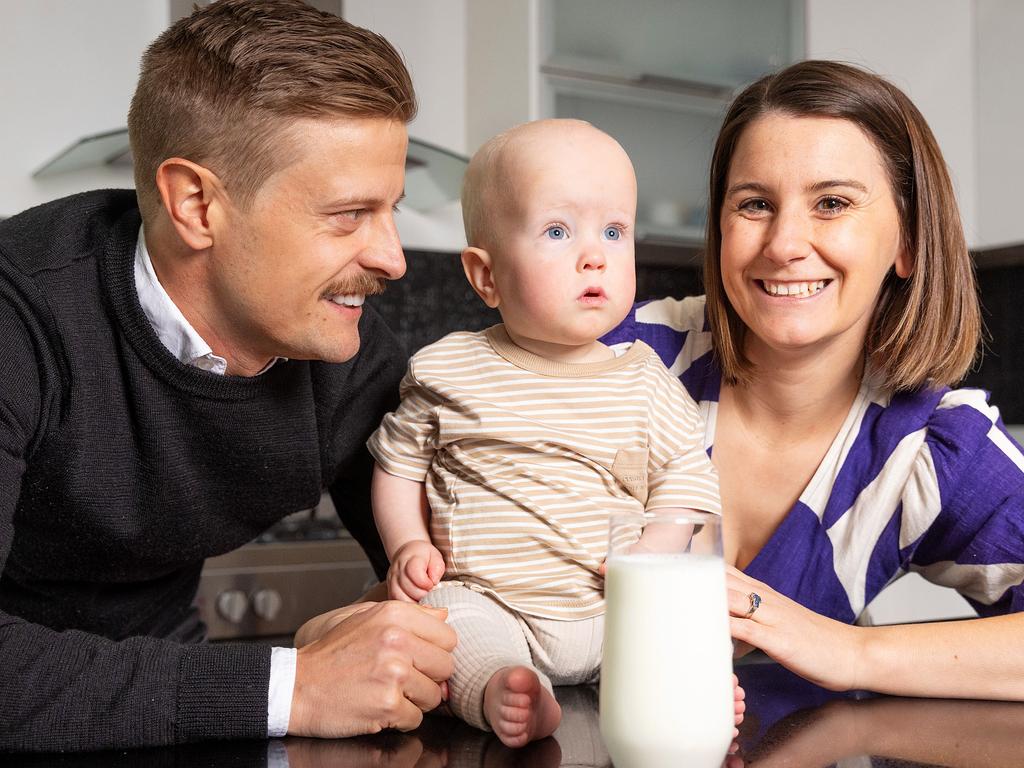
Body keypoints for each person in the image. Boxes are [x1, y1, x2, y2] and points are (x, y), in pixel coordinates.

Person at [0, 0, 456, 752]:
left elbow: (465, 570)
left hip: (173, 728)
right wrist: (294, 685)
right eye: (349, 215)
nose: (394, 259)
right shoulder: (21, 314)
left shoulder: (346, 353)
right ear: (196, 204)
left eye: (393, 211)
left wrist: (401, 622)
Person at [604, 59, 1024, 699]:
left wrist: (844, 650)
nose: (784, 243)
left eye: (832, 203)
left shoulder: (929, 446)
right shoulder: (624, 359)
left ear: (907, 241)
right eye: (755, 204)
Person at [367, 119, 728, 747]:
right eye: (558, 231)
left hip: (615, 605)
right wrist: (406, 545)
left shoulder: (644, 378)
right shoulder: (448, 367)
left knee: (677, 625)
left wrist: (654, 552)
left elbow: (688, 477)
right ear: (486, 276)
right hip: (493, 599)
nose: (595, 254)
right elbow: (399, 465)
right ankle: (507, 689)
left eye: (614, 231)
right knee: (444, 625)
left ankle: (692, 687)